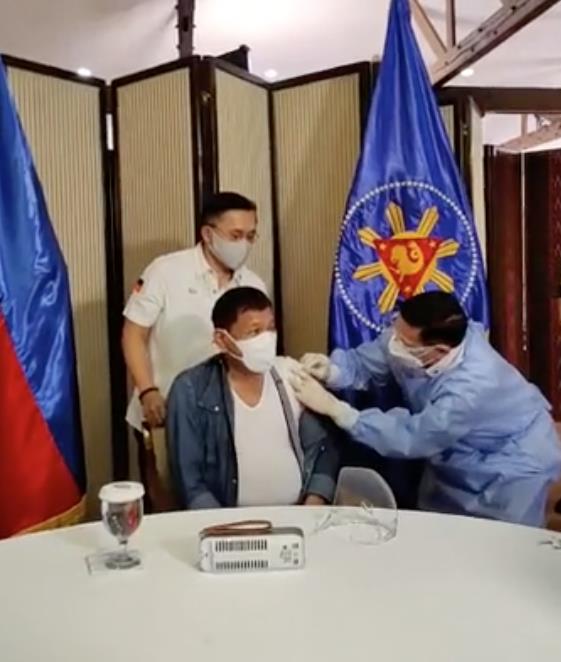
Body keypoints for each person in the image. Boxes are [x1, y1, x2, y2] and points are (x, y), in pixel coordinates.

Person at [290, 291, 561, 527]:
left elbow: (413, 436)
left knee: (500, 541)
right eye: (395, 332)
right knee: (438, 532)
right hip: (453, 450)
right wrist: (334, 370)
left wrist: (340, 412)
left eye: (403, 343)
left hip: (511, 462)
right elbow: (369, 360)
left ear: (439, 351)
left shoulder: (472, 387)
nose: (393, 344)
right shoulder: (411, 337)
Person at [167, 287, 340, 509]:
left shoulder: (291, 374)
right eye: (254, 332)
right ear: (222, 339)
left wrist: (314, 503)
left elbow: (324, 449)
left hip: (298, 515)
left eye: (271, 328)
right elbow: (189, 480)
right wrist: (223, 525)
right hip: (227, 521)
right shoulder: (191, 389)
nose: (266, 339)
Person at [122, 191, 266, 438]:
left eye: (250, 236)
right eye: (235, 236)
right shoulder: (165, 271)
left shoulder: (254, 285)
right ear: (208, 234)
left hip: (229, 417)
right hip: (165, 410)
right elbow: (133, 334)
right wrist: (147, 390)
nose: (244, 244)